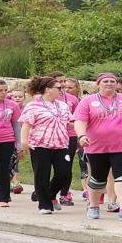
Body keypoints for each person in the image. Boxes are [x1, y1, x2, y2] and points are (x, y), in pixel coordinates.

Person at [72, 73, 122, 221]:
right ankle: (93, 206)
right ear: (98, 84)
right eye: (106, 81)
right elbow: (80, 121)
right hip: (96, 146)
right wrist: (81, 136)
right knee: (98, 178)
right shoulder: (88, 101)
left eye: (113, 81)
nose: (109, 83)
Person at [19, 76, 73, 215]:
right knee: (42, 174)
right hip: (40, 144)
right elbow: (26, 124)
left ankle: (48, 193)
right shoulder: (33, 105)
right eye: (59, 88)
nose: (62, 90)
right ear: (48, 90)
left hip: (61, 144)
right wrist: (24, 142)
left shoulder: (63, 105)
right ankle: (45, 205)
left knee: (64, 173)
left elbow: (71, 121)